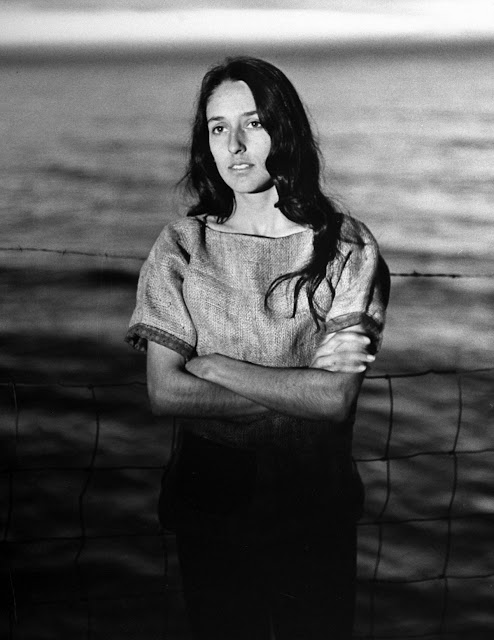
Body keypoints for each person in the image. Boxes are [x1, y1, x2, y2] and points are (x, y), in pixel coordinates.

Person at [126, 56, 390, 640]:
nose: (235, 146)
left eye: (254, 123)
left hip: (314, 499)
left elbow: (334, 402)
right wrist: (302, 383)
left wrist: (215, 366)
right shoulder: (182, 246)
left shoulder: (345, 247)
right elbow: (165, 392)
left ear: (284, 129)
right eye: (218, 128)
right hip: (210, 497)